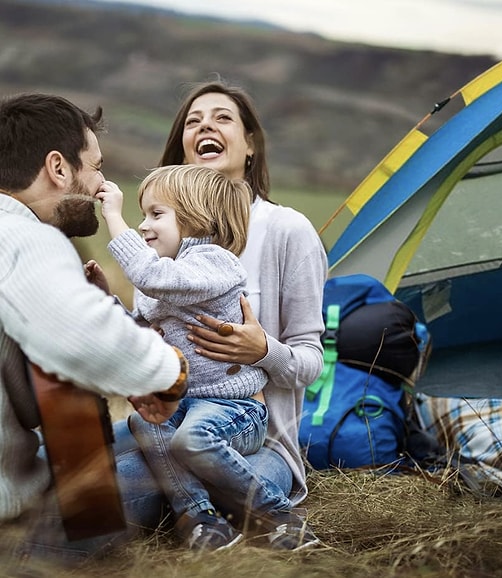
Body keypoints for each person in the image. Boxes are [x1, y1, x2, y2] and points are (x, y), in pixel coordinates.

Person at [122, 79, 329, 551]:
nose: (204, 127)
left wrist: (264, 351)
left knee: (117, 489)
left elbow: (312, 363)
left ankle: (250, 521)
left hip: (256, 433)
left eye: (221, 118)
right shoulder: (165, 240)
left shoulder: (287, 230)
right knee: (73, 458)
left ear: (250, 143)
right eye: (193, 122)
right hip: (174, 418)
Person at [0, 93, 190, 570]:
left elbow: (24, 393)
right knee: (156, 465)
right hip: (10, 530)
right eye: (96, 167)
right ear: (58, 169)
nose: (102, 182)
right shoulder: (25, 235)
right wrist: (167, 373)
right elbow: (79, 336)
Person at [94, 164, 269, 550]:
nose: (143, 225)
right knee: (143, 423)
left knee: (190, 439)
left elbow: (150, 276)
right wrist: (106, 298)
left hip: (232, 409)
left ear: (198, 220)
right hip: (186, 405)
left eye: (156, 214)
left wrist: (112, 215)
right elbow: (140, 334)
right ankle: (200, 517)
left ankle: (277, 513)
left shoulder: (213, 262)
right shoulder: (167, 277)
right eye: (143, 215)